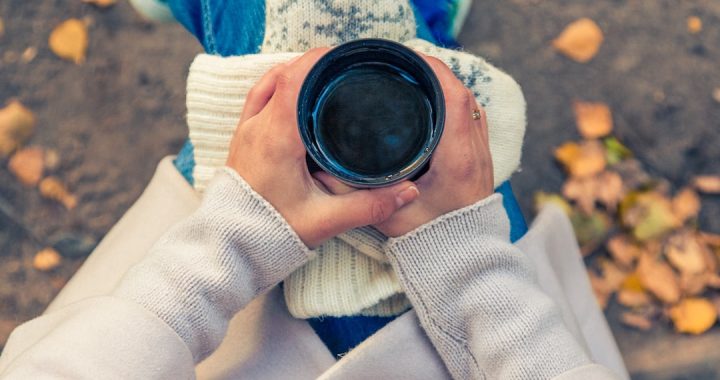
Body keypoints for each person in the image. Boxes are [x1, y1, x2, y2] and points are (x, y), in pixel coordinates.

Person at [1, 1, 629, 378]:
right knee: (382, 33)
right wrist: (464, 261)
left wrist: (238, 239)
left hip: (197, 321)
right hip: (488, 328)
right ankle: (430, 17)